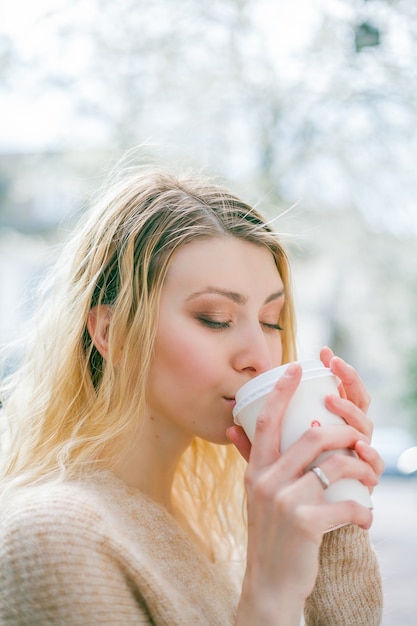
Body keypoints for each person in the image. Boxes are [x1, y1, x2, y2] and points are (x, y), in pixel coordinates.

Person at [0, 165, 383, 625]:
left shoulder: (204, 533)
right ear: (114, 333)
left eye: (271, 320)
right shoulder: (54, 538)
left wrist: (331, 503)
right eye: (216, 318)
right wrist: (268, 599)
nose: (260, 356)